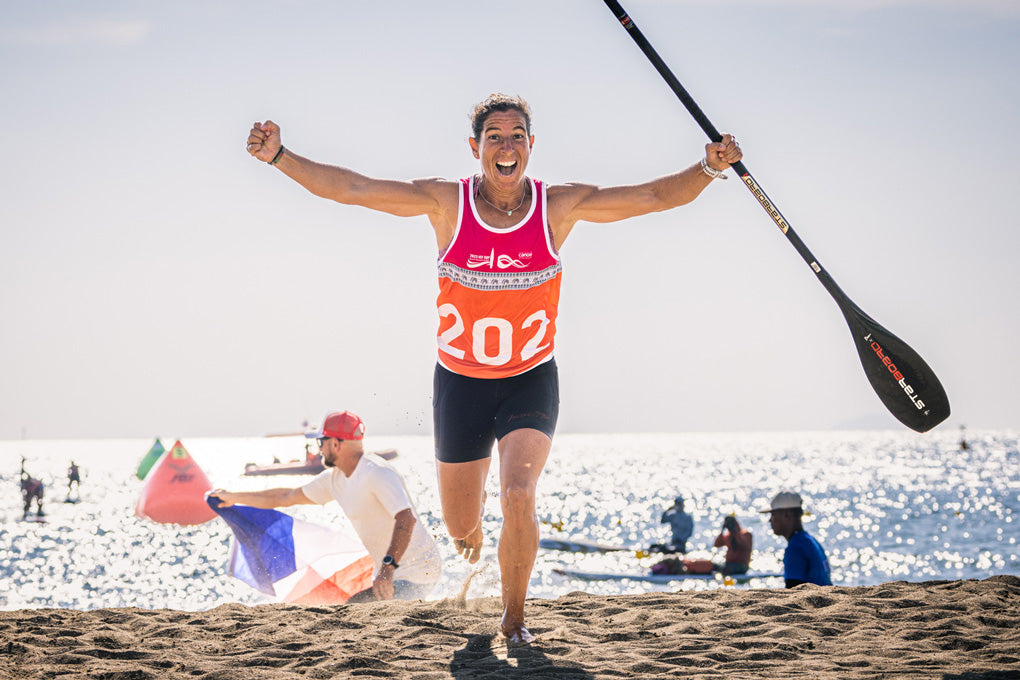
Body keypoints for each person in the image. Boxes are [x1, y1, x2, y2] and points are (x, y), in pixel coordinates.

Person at [244, 93, 741, 645]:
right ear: (476, 147)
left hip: (530, 379)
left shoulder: (557, 206)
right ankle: (474, 541)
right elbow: (355, 189)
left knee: (518, 492)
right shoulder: (446, 204)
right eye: (495, 136)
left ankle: (514, 619)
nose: (507, 147)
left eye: (518, 136)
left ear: (532, 145)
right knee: (463, 532)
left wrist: (708, 168)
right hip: (460, 385)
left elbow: (649, 196)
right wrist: (281, 156)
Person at [209, 411, 441, 602]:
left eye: (321, 442)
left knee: (355, 611)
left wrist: (387, 570)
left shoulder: (376, 473)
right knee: (352, 609)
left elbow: (406, 519)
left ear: (336, 443)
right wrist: (233, 497)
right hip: (392, 574)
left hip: (418, 573)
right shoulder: (334, 479)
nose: (319, 448)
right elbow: (286, 496)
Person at [760, 491, 832, 588]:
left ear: (786, 514)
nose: (770, 520)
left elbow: (794, 590)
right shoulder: (810, 540)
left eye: (773, 514)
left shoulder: (795, 547)